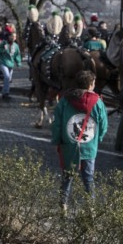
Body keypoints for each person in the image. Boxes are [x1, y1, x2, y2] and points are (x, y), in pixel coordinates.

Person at [50, 70, 109, 207]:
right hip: (89, 146)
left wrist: (57, 140)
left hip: (69, 145)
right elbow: (104, 125)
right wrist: (96, 140)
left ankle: (63, 205)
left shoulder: (65, 100)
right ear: (90, 85)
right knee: (88, 179)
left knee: (67, 177)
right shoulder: (98, 103)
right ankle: (91, 208)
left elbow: (57, 123)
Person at [0, 32, 22, 101]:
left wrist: (18, 63)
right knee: (7, 77)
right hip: (3, 62)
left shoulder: (16, 46)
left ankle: (4, 91)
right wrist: (3, 50)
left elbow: (17, 55)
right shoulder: (4, 43)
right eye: (12, 36)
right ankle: (6, 93)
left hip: (11, 64)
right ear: (9, 37)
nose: (13, 38)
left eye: (15, 36)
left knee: (8, 79)